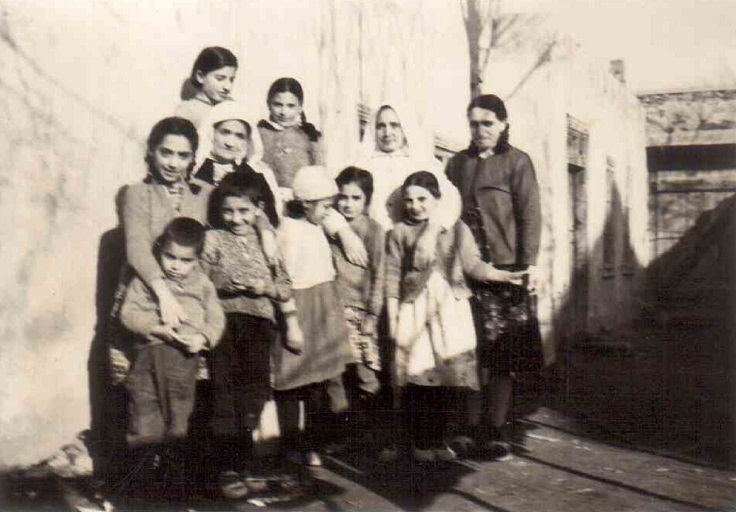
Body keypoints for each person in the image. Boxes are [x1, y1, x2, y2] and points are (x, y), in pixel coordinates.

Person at [386, 171, 524, 463]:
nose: (415, 206)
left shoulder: (456, 229)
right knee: (420, 377)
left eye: (422, 199)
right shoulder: (398, 233)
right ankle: (421, 442)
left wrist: (503, 275)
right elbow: (391, 276)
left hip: (450, 309)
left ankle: (439, 440)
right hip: (416, 311)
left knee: (447, 378)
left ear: (437, 200)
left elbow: (473, 265)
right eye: (409, 200)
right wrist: (393, 317)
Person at [445, 94, 544, 458]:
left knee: (503, 355)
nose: (480, 130)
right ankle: (469, 427)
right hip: (467, 269)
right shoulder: (457, 163)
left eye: (487, 123)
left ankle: (497, 428)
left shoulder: (517, 161)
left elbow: (530, 214)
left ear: (503, 124)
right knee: (470, 349)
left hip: (507, 270)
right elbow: (446, 211)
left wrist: (529, 263)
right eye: (474, 123)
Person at [201, 173, 292, 499]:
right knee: (224, 391)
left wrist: (264, 288)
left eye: (243, 211)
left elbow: (285, 287)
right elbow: (200, 278)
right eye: (228, 211)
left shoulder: (267, 242)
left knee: (254, 392)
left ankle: (245, 461)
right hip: (224, 322)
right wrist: (223, 283)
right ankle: (227, 468)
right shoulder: (213, 238)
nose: (236, 219)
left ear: (258, 209)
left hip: (259, 325)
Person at [119, 217, 225, 495]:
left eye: (185, 260)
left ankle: (174, 486)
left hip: (182, 360)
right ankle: (141, 486)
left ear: (197, 259)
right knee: (143, 418)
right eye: (170, 257)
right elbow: (128, 314)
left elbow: (216, 319)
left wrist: (203, 338)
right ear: (160, 252)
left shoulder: (202, 284)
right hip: (147, 356)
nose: (176, 266)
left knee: (178, 422)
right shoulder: (146, 281)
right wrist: (156, 329)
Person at [273, 166, 352, 467]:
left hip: (323, 304)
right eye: (326, 207)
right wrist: (291, 323)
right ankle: (292, 446)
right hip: (300, 308)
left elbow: (328, 222)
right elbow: (284, 283)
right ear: (306, 203)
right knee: (294, 380)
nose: (330, 213)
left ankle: (313, 444)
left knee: (320, 379)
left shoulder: (314, 223)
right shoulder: (289, 232)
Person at [330, 167, 385, 450]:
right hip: (332, 308)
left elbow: (380, 274)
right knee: (336, 372)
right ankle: (343, 432)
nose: (347, 204)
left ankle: (372, 432)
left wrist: (373, 314)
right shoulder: (331, 226)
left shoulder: (374, 231)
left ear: (367, 200)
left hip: (360, 310)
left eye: (355, 198)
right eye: (343, 197)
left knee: (366, 372)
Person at [194, 100, 280, 226]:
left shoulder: (257, 177)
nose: (230, 143)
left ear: (248, 142)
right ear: (212, 133)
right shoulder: (194, 170)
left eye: (240, 136)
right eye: (225, 132)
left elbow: (271, 222)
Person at [258, 77, 325, 194]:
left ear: (300, 107)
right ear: (268, 104)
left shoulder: (310, 135)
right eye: (278, 104)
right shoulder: (258, 132)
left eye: (290, 106)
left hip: (300, 197)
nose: (283, 112)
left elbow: (320, 175)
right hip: (266, 195)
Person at [175, 47, 238, 128]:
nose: (228, 87)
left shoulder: (232, 106)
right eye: (220, 79)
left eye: (231, 80)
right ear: (200, 77)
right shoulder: (187, 111)